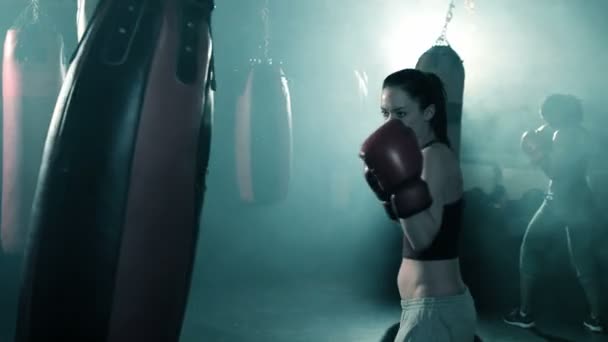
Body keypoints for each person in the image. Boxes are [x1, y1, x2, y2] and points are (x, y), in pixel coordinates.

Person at [359, 68, 476, 341]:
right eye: (385, 113)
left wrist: (399, 186)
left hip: (433, 310)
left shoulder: (433, 157)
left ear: (428, 112)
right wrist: (391, 196)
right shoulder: (423, 156)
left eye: (401, 114)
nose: (391, 124)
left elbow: (423, 239)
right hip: (431, 308)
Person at [503, 93, 604, 332]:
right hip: (583, 201)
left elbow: (555, 172)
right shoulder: (578, 131)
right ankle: (596, 319)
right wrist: (534, 136)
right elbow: (542, 132)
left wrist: (535, 152)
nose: (544, 115)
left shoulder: (563, 134)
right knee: (584, 262)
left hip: (559, 202)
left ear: (560, 112)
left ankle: (525, 314)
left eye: (548, 112)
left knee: (529, 249)